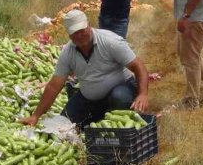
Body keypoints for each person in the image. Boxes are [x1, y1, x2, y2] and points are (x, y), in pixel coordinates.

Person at [19, 9, 148, 127]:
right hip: (90, 98)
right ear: (69, 36)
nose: (80, 35)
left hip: (121, 88)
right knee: (65, 121)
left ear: (89, 26)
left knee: (120, 97)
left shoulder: (110, 41)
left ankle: (121, 121)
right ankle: (98, 118)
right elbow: (54, 86)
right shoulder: (68, 53)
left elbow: (138, 66)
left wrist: (143, 94)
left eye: (82, 30)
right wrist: (36, 116)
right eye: (75, 33)